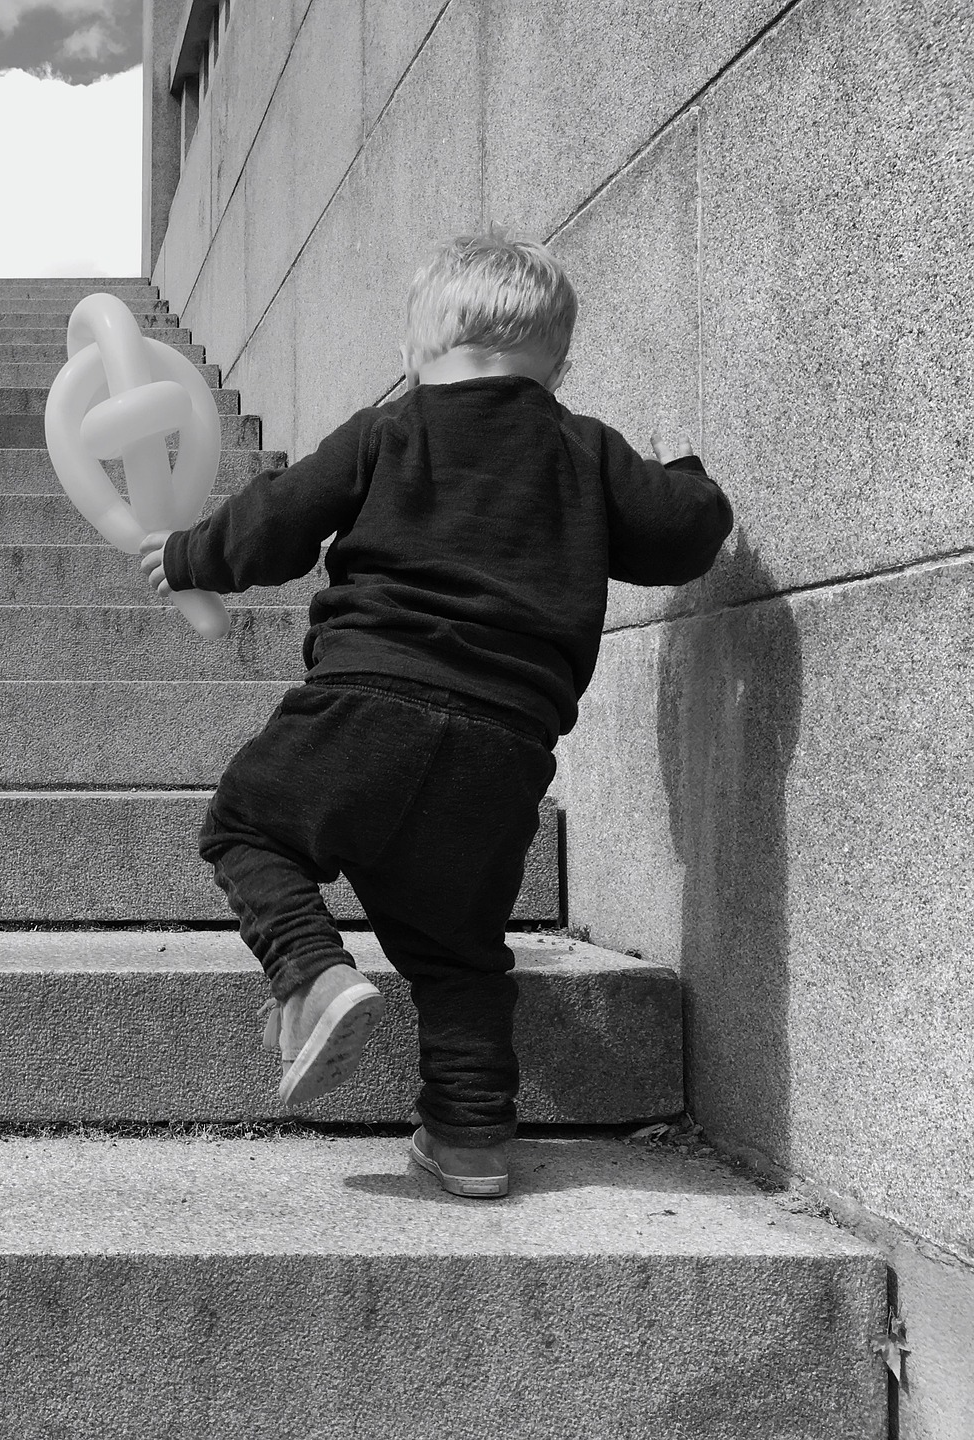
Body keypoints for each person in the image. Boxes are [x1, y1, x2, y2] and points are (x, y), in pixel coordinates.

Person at [139, 230, 732, 1199]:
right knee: (458, 955)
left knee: (247, 825)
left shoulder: (388, 430)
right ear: (557, 365)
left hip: (368, 702)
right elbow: (680, 535)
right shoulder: (586, 449)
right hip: (504, 748)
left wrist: (189, 554)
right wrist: (693, 479)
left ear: (417, 349)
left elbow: (278, 519)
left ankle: (311, 973)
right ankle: (469, 1139)